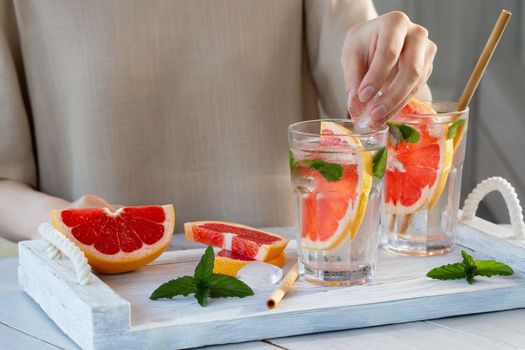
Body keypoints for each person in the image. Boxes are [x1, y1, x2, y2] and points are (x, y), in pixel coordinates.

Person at [0, 0, 435, 241]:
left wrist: (390, 57)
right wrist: (63, 220)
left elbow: (377, 111)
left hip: (285, 292)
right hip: (95, 304)